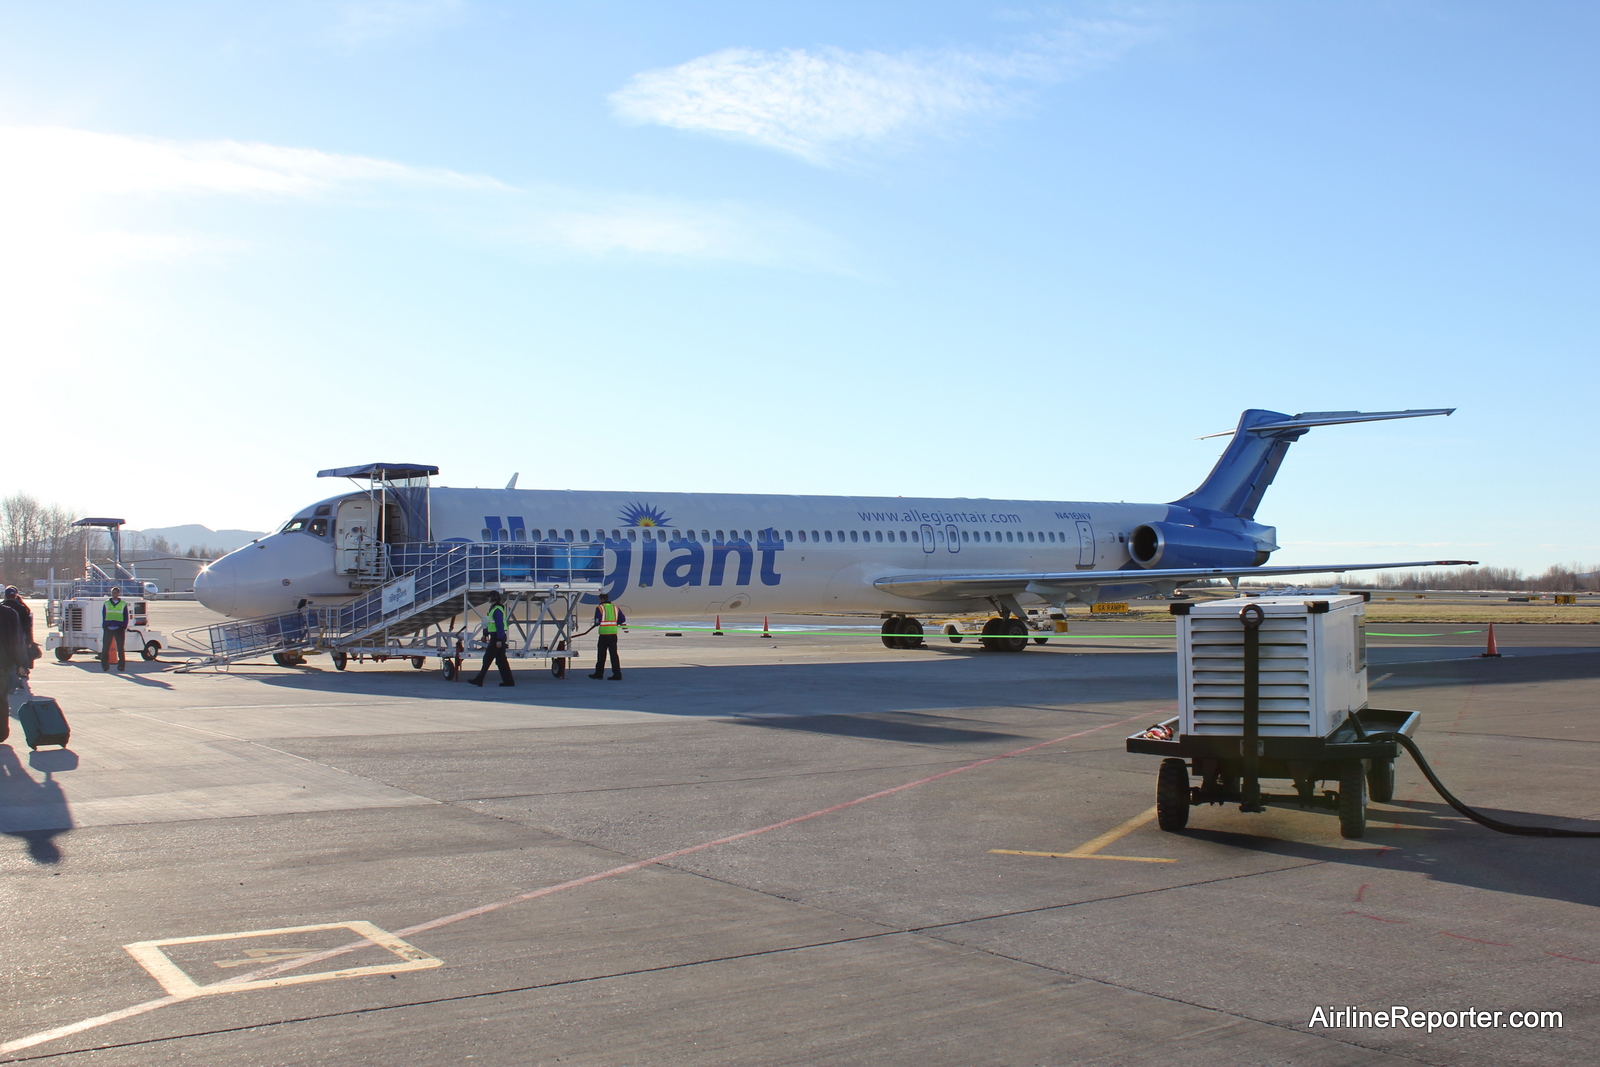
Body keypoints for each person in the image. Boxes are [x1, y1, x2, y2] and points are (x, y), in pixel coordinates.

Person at [468, 591, 514, 687]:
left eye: (489, 597)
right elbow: (490, 624)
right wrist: (485, 634)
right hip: (496, 636)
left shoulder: (497, 610)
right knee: (501, 661)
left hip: (497, 637)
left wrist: (499, 640)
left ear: (493, 598)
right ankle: (509, 681)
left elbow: (499, 625)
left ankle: (479, 680)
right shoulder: (493, 609)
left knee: (487, 659)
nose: (488, 599)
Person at [588, 593, 625, 680]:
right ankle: (617, 674)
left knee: (601, 655)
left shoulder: (600, 608)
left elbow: (597, 620)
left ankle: (599, 673)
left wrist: (597, 623)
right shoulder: (615, 608)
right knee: (614, 655)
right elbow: (622, 619)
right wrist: (615, 623)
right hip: (613, 634)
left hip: (604, 634)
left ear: (601, 599)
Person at [4, 587, 36, 683]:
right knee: (19, 658)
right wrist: (29, 640)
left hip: (5, 638)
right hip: (20, 637)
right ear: (15, 595)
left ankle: (9, 682)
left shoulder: (3, 607)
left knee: (7, 659)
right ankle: (21, 678)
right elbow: (27, 626)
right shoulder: (22, 608)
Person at [101, 587, 131, 672]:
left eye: (116, 593)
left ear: (118, 593)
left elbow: (126, 616)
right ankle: (104, 665)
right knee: (106, 647)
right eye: (113, 592)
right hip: (108, 627)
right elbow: (104, 615)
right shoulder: (106, 603)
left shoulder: (123, 604)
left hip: (119, 628)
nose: (114, 594)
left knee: (120, 648)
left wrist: (123, 626)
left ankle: (121, 665)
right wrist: (105, 625)